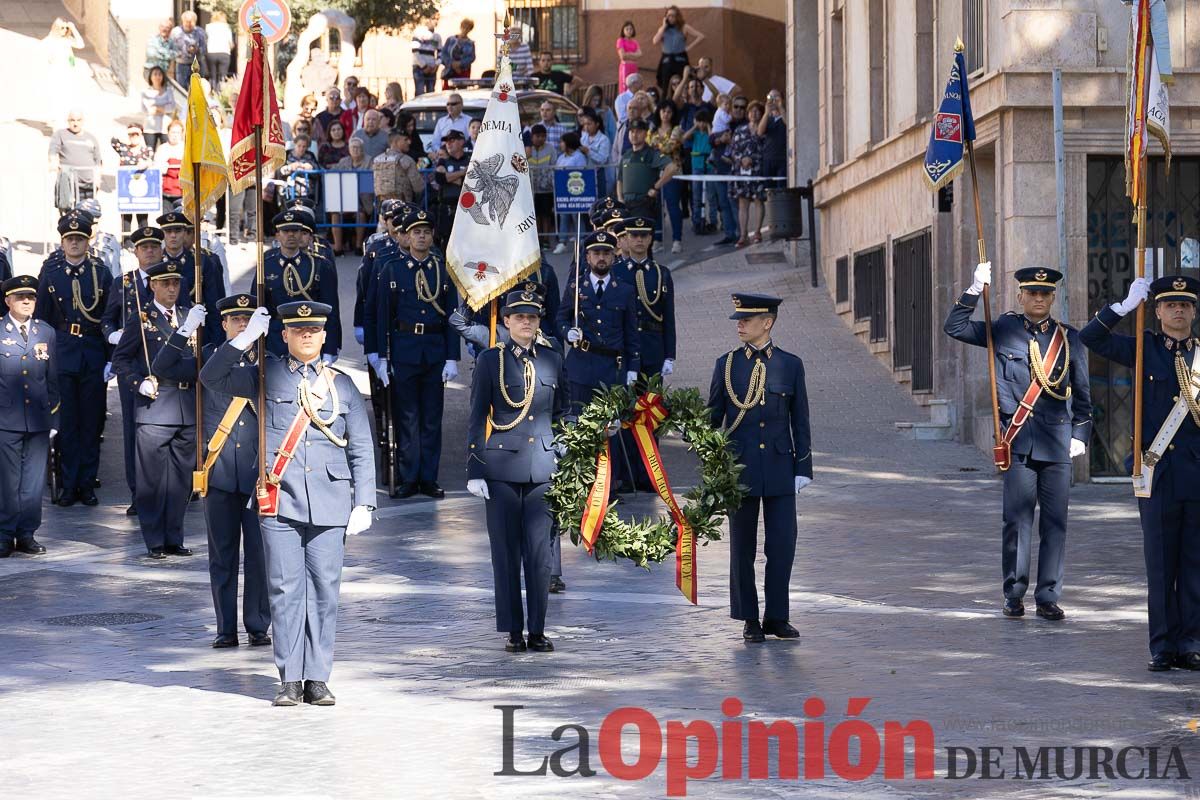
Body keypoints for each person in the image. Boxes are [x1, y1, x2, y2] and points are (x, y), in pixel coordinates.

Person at [200, 302, 375, 706]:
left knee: (325, 591)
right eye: (299, 330)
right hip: (280, 498)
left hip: (331, 501)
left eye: (314, 329)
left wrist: (364, 501)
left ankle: (318, 677)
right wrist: (244, 339)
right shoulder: (265, 375)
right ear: (285, 335)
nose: (308, 335)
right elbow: (212, 377)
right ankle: (290, 679)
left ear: (325, 335)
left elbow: (362, 447)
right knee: (283, 589)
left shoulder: (343, 384)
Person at [943, 264, 1092, 620]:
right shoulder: (1003, 329)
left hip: (1057, 443)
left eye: (1045, 294)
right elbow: (955, 327)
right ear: (1021, 296)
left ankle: (1048, 596)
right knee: (1017, 521)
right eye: (1032, 293)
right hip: (1018, 441)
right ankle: (1014, 593)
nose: (1038, 298)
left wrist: (1080, 434)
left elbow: (1084, 394)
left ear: (1053, 297)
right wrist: (975, 289)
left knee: (1055, 523)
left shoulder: (1069, 339)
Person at [1080, 274, 1200, 671]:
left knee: (1195, 564)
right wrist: (1122, 308)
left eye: (1185, 304)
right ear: (1159, 310)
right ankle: (1162, 646)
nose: (1178, 310)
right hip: (1158, 472)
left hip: (1197, 474)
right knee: (1161, 563)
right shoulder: (1144, 348)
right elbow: (1090, 339)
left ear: (1194, 312)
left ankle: (1191, 643)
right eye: (1170, 304)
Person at [156, 293, 271, 649]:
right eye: (235, 320)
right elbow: (162, 367)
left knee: (259, 556)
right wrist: (184, 330)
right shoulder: (208, 359)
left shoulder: (270, 362)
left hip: (258, 474)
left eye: (247, 319)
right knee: (222, 555)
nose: (241, 324)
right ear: (223, 325)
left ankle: (257, 624)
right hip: (218, 470)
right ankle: (225, 626)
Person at [467, 289, 568, 653]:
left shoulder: (553, 359)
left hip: (543, 466)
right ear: (506, 321)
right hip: (502, 466)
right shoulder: (490, 360)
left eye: (533, 317)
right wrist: (475, 467)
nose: (527, 322)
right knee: (506, 553)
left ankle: (538, 628)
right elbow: (478, 415)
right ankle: (513, 629)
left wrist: (570, 442)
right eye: (519, 317)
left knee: (540, 555)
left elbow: (563, 410)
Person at [708, 293, 812, 643]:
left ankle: (777, 616)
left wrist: (803, 467)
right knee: (742, 547)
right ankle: (749, 618)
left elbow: (801, 420)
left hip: (781, 466)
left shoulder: (790, 364)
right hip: (740, 468)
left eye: (747, 319)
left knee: (782, 545)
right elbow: (712, 419)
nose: (739, 324)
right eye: (739, 319)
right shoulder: (726, 364)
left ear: (767, 322)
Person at [365, 208, 459, 500]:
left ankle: (428, 478)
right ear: (405, 237)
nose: (421, 237)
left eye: (426, 232)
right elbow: (381, 315)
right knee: (406, 418)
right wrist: (380, 356)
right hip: (403, 351)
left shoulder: (442, 268)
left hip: (433, 350)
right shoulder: (391, 268)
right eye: (415, 232)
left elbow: (452, 316)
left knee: (431, 418)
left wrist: (452, 356)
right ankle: (408, 477)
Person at [111, 260, 199, 559]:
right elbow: (121, 360)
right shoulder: (142, 317)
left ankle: (174, 537)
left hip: (187, 408)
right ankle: (155, 541)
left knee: (180, 482)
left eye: (176, 283)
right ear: (153, 286)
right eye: (165, 283)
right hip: (155, 407)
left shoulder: (190, 316)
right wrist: (138, 384)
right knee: (152, 482)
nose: (172, 289)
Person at [34, 212, 111, 508]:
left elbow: (108, 316)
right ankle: (67, 485)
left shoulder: (100, 272)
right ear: (62, 242)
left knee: (91, 423)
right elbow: (42, 316)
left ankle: (86, 484)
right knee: (66, 424)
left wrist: (110, 358)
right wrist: (43, 355)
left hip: (92, 353)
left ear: (87, 241)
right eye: (70, 239)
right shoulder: (51, 273)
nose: (75, 244)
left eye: (80, 239)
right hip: (62, 353)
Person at [103, 226, 169, 514]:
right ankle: (137, 494)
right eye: (144, 248)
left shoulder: (170, 281)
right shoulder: (124, 282)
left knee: (168, 430)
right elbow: (107, 318)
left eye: (155, 246)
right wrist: (112, 336)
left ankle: (167, 491)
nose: (150, 251)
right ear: (135, 252)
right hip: (133, 366)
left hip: (165, 363)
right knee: (133, 431)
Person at [0, 275, 59, 558]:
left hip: (38, 420)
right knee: (8, 482)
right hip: (6, 419)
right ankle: (4, 534)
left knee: (34, 483)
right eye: (20, 297)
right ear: (8, 300)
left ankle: (26, 534)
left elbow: (53, 379)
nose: (27, 301)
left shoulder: (45, 333)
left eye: (31, 297)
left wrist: (54, 419)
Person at [557, 230, 639, 418]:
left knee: (614, 432)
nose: (601, 258)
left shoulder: (625, 291)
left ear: (613, 256)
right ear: (587, 257)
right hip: (582, 367)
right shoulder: (575, 288)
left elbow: (631, 333)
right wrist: (567, 332)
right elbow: (560, 318)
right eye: (596, 253)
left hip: (613, 370)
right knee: (580, 426)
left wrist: (633, 367)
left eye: (606, 253)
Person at [248, 210, 341, 361]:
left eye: (295, 231)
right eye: (285, 231)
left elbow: (331, 310)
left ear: (301, 234)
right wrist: (256, 346)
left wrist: (330, 349)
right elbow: (257, 309)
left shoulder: (320, 265)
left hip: (309, 336)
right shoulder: (266, 266)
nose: (290, 235)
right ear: (277, 235)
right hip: (276, 340)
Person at [157, 210, 226, 340]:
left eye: (177, 231)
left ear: (185, 233)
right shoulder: (155, 263)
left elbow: (214, 306)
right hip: (163, 332)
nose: (173, 236)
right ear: (163, 234)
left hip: (197, 332)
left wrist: (217, 343)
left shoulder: (202, 262)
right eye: (168, 231)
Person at [618, 119, 677, 230]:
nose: (634, 135)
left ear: (645, 134)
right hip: (626, 205)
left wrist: (656, 187)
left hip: (643, 204)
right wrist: (620, 199)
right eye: (632, 132)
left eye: (638, 132)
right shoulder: (626, 155)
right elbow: (620, 180)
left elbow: (672, 168)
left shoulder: (651, 153)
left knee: (641, 239)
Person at [729, 100, 766, 247]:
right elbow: (733, 149)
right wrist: (741, 159)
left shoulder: (764, 130)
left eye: (757, 111)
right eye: (751, 111)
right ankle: (743, 235)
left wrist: (752, 158)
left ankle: (757, 232)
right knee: (743, 203)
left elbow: (766, 149)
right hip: (741, 171)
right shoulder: (740, 130)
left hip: (757, 169)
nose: (754, 114)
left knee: (758, 200)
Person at [49, 111, 101, 215]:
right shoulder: (61, 134)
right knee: (70, 215)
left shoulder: (91, 138)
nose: (75, 123)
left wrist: (98, 179)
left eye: (78, 120)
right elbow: (53, 151)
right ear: (68, 121)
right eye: (72, 120)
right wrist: (53, 163)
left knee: (88, 214)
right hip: (69, 184)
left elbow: (98, 160)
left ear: (83, 121)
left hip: (88, 184)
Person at [649, 101, 685, 252]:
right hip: (656, 173)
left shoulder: (677, 129)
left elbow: (671, 146)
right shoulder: (653, 129)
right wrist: (658, 144)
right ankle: (657, 239)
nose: (666, 114)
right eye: (663, 111)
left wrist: (657, 144)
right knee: (656, 208)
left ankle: (677, 240)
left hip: (673, 173)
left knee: (673, 206)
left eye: (669, 112)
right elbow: (648, 144)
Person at [708, 96, 743, 245]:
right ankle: (729, 233)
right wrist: (718, 140)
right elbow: (711, 140)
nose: (736, 109)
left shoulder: (740, 125)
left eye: (741, 107)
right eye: (735, 106)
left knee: (733, 202)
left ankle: (740, 233)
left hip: (733, 169)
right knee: (723, 202)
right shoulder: (722, 121)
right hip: (718, 167)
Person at [111, 124, 155, 234]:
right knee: (126, 218)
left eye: (137, 134)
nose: (134, 137)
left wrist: (147, 163)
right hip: (126, 190)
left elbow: (153, 161)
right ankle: (126, 243)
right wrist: (126, 133)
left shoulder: (147, 150)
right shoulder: (123, 148)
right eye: (131, 134)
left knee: (143, 219)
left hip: (142, 190)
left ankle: (143, 240)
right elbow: (113, 140)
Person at [332, 138, 371, 254]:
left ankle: (358, 247)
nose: (355, 149)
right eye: (353, 147)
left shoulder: (369, 161)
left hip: (363, 199)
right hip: (345, 198)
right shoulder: (343, 161)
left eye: (358, 147)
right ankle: (338, 248)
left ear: (362, 149)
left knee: (360, 214)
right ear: (349, 149)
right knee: (335, 214)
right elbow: (332, 173)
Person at [652, 6, 704, 93]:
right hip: (666, 60)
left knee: (682, 84)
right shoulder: (663, 29)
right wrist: (664, 26)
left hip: (680, 60)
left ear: (677, 17)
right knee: (666, 85)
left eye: (673, 15)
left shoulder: (684, 27)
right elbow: (655, 41)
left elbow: (701, 36)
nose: (671, 18)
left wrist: (688, 48)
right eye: (669, 15)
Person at [433, 130, 470, 247]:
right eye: (446, 141)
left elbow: (468, 181)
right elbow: (440, 178)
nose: (448, 144)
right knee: (446, 240)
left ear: (461, 142)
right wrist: (462, 173)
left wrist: (450, 177)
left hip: (467, 210)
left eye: (452, 141)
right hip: (447, 208)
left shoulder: (470, 160)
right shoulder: (443, 161)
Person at [683, 107, 715, 235]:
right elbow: (684, 138)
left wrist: (708, 127)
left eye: (704, 121)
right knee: (696, 195)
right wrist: (694, 126)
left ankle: (713, 221)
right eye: (699, 121)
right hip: (697, 166)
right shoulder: (695, 134)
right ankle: (697, 221)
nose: (701, 124)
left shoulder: (709, 133)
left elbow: (712, 140)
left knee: (711, 195)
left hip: (709, 165)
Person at [372, 130, 424, 208]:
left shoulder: (377, 160)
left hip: (383, 207)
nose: (409, 142)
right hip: (404, 207)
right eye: (405, 140)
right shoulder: (407, 160)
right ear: (396, 142)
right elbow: (419, 187)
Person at [526, 124, 556, 246]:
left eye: (543, 136)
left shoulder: (551, 148)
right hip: (531, 188)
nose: (541, 139)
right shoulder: (526, 149)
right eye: (538, 136)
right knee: (535, 215)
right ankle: (536, 240)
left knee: (546, 214)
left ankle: (546, 239)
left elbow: (554, 164)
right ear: (532, 137)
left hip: (546, 188)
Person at [140, 66, 176, 154]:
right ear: (150, 77)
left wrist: (156, 108)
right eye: (155, 74)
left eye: (159, 74)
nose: (157, 77)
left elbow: (171, 107)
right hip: (150, 128)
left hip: (165, 127)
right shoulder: (145, 92)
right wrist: (163, 108)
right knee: (150, 152)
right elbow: (146, 110)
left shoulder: (168, 91)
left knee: (167, 152)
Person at [578, 110, 613, 196]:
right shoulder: (583, 138)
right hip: (585, 174)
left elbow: (602, 159)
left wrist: (588, 152)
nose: (586, 127)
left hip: (599, 175)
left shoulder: (603, 139)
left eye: (589, 124)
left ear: (597, 124)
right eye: (584, 124)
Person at [170, 11, 208, 87]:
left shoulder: (200, 32)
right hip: (181, 64)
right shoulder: (176, 32)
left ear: (195, 22)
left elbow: (204, 49)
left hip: (197, 64)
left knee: (198, 88)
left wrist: (197, 50)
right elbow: (171, 49)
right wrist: (181, 53)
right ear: (182, 21)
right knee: (182, 88)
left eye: (191, 22)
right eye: (186, 22)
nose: (189, 24)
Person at [757, 89, 787, 180]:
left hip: (782, 158)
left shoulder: (785, 115)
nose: (773, 100)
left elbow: (790, 126)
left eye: (776, 97)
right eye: (770, 97)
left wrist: (781, 107)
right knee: (769, 188)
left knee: (781, 187)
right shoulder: (767, 118)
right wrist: (766, 112)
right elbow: (759, 132)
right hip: (768, 158)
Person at [156, 119, 185, 210]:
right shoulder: (162, 148)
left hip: (182, 193)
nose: (175, 135)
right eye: (173, 132)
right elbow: (157, 169)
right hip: (166, 192)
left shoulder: (186, 149)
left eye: (178, 132)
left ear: (182, 134)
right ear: (168, 133)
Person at [411, 14, 442, 96]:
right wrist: (424, 66)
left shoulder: (437, 37)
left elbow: (440, 53)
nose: (435, 21)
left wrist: (436, 65)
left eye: (437, 19)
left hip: (432, 68)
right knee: (420, 91)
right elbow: (415, 51)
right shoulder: (418, 33)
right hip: (419, 68)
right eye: (433, 19)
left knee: (431, 92)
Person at [441, 18, 476, 88]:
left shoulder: (470, 43)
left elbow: (472, 57)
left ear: (470, 30)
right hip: (449, 71)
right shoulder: (450, 39)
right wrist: (452, 64)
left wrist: (460, 64)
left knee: (462, 92)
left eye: (468, 28)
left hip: (463, 72)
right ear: (461, 27)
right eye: (464, 27)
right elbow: (443, 54)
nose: (465, 30)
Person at [205, 11, 234, 87]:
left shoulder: (208, 26)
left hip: (211, 52)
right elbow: (230, 43)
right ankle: (220, 94)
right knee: (223, 76)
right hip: (224, 53)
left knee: (212, 76)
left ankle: (212, 92)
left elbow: (206, 40)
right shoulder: (227, 27)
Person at [616, 21, 642, 88]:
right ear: (623, 30)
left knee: (634, 86)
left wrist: (628, 54)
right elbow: (623, 56)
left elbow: (640, 54)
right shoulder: (620, 41)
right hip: (625, 66)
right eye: (627, 29)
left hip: (634, 67)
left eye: (631, 29)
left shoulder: (635, 42)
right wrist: (634, 54)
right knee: (625, 86)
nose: (629, 31)